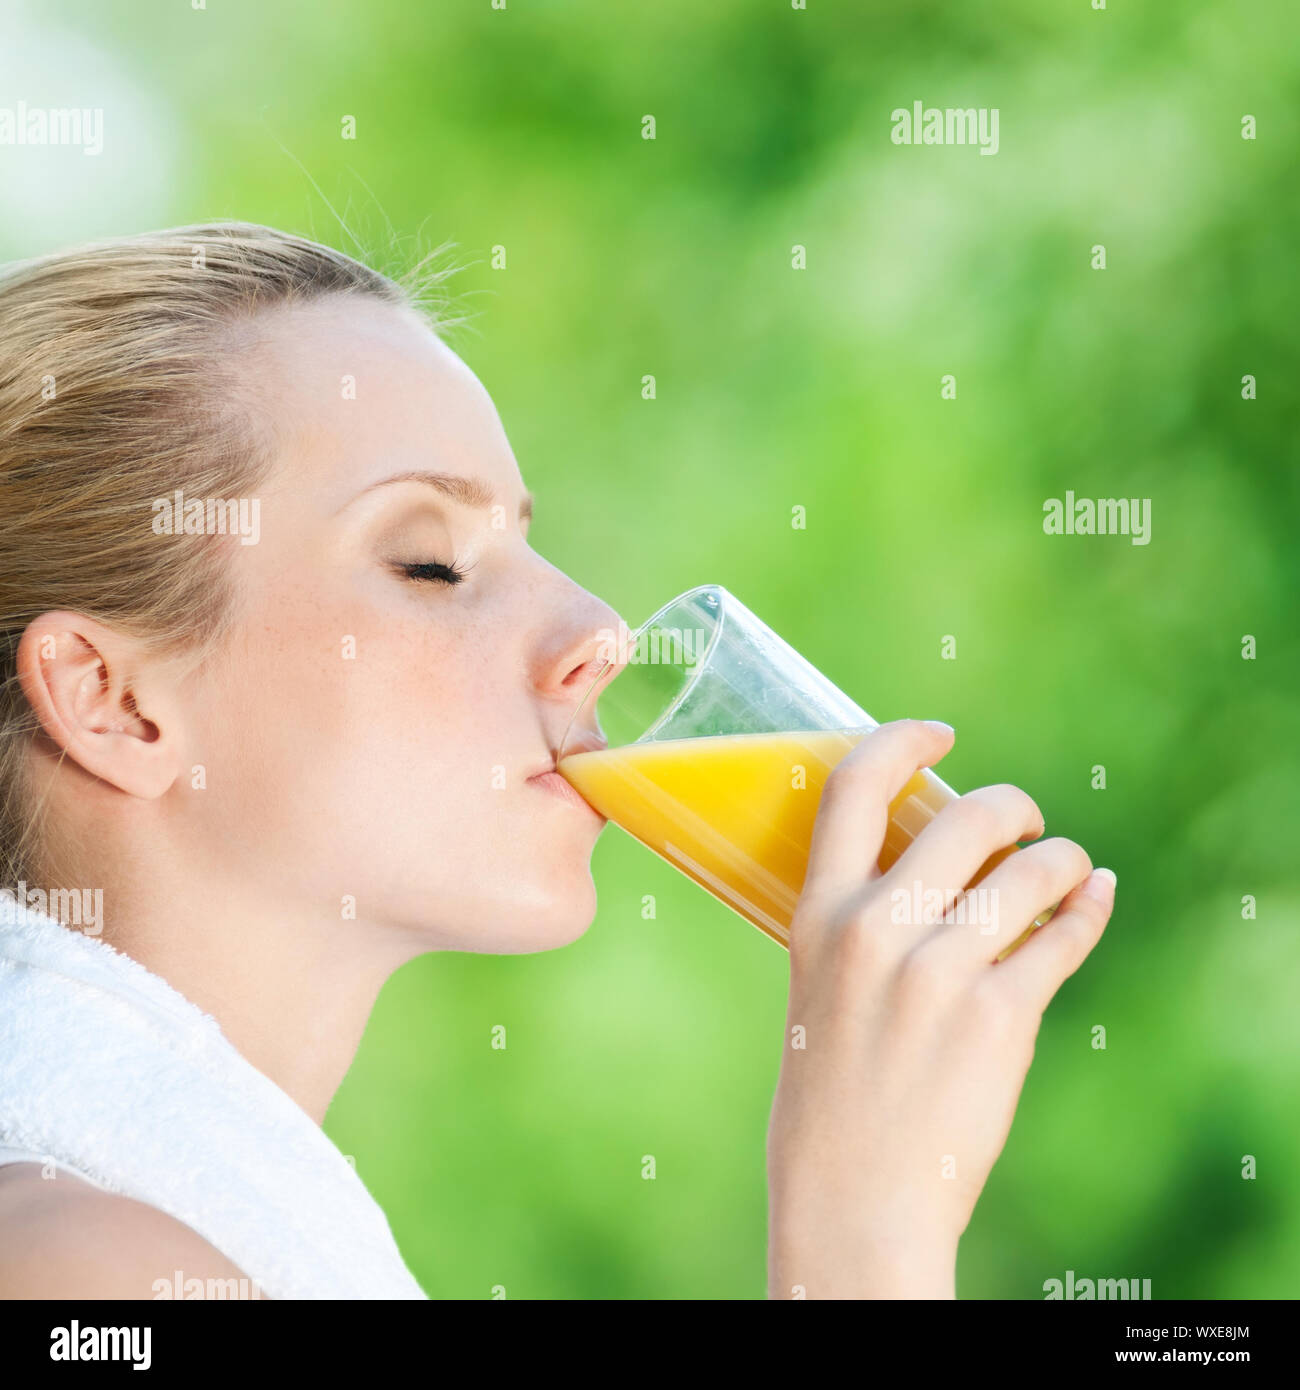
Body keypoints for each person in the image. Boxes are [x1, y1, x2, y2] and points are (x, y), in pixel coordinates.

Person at [0, 223, 1114, 1299]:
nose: (599, 630)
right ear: (114, 701)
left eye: (527, 541)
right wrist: (861, 1237)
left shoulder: (190, 1223)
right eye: (431, 562)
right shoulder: (83, 1265)